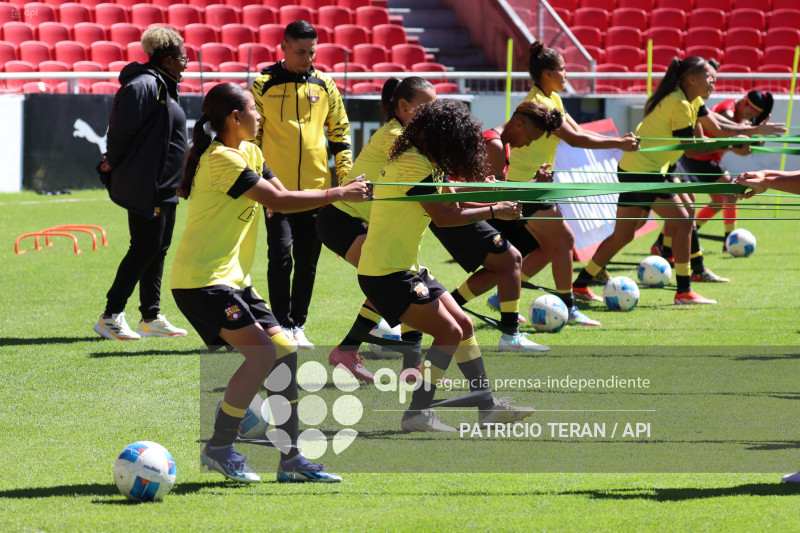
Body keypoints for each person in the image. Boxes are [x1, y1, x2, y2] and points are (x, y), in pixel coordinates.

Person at [171, 83, 370, 482]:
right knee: (262, 355)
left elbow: (282, 196)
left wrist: (339, 198)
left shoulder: (250, 151)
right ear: (235, 117)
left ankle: (291, 459)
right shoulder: (221, 159)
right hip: (202, 282)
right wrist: (338, 192)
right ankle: (219, 446)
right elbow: (277, 202)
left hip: (233, 281)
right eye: (253, 109)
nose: (260, 115)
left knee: (284, 352)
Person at [358, 98, 533, 432]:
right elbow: (445, 216)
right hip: (385, 272)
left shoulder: (428, 161)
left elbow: (452, 198)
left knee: (463, 325)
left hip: (405, 267)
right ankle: (417, 414)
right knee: (449, 332)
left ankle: (486, 408)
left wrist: (496, 195)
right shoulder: (412, 164)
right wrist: (495, 210)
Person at [572, 57, 785, 305]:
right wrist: (739, 139)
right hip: (644, 172)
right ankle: (684, 291)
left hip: (638, 168)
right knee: (683, 221)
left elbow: (719, 127)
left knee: (624, 235)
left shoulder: (692, 100)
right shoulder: (680, 104)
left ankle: (580, 284)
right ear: (691, 79)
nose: (713, 82)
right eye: (709, 77)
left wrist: (752, 131)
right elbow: (694, 150)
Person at [499, 41, 639, 308]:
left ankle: (501, 296)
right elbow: (575, 140)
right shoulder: (541, 104)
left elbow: (580, 131)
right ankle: (569, 306)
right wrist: (619, 144)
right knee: (565, 240)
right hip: (527, 184)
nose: (566, 75)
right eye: (563, 69)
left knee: (550, 248)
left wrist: (618, 141)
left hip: (533, 184)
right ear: (548, 73)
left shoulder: (553, 99)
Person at [317, 76, 435, 382]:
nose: (431, 114)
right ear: (403, 107)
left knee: (398, 281)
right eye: (425, 107)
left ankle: (359, 353)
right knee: (398, 281)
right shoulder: (394, 135)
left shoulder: (403, 133)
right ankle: (367, 355)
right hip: (342, 221)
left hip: (352, 221)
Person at [250, 20, 352, 349]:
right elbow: (252, 139)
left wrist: (344, 174)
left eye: (312, 52)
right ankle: (280, 325)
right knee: (280, 254)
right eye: (300, 52)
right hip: (276, 191)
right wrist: (257, 180)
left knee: (307, 260)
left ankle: (299, 324)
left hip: (316, 190)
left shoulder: (325, 84)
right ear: (283, 47)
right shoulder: (263, 83)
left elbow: (340, 133)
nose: (307, 58)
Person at [434, 101, 565, 353]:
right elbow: (488, 195)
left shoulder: (500, 143)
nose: (527, 144)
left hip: (459, 210)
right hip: (456, 212)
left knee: (503, 267)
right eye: (530, 137)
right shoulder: (493, 144)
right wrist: (532, 185)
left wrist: (531, 185)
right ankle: (510, 336)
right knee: (511, 259)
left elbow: (492, 192)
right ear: (519, 123)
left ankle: (450, 307)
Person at [94, 26, 189, 341]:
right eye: (182, 58)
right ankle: (110, 316)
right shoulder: (144, 85)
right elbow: (120, 131)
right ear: (167, 60)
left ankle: (150, 317)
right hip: (148, 184)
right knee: (145, 247)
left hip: (166, 185)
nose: (186, 64)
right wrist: (113, 161)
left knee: (157, 249)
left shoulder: (165, 84)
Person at [683, 89, 774, 252]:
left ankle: (682, 237)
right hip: (700, 157)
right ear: (744, 101)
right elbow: (725, 140)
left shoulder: (734, 112)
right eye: (750, 112)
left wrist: (748, 145)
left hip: (705, 157)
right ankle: (728, 242)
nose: (750, 116)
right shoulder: (728, 113)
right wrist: (741, 141)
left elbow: (731, 145)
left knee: (719, 201)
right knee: (731, 193)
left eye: (754, 115)